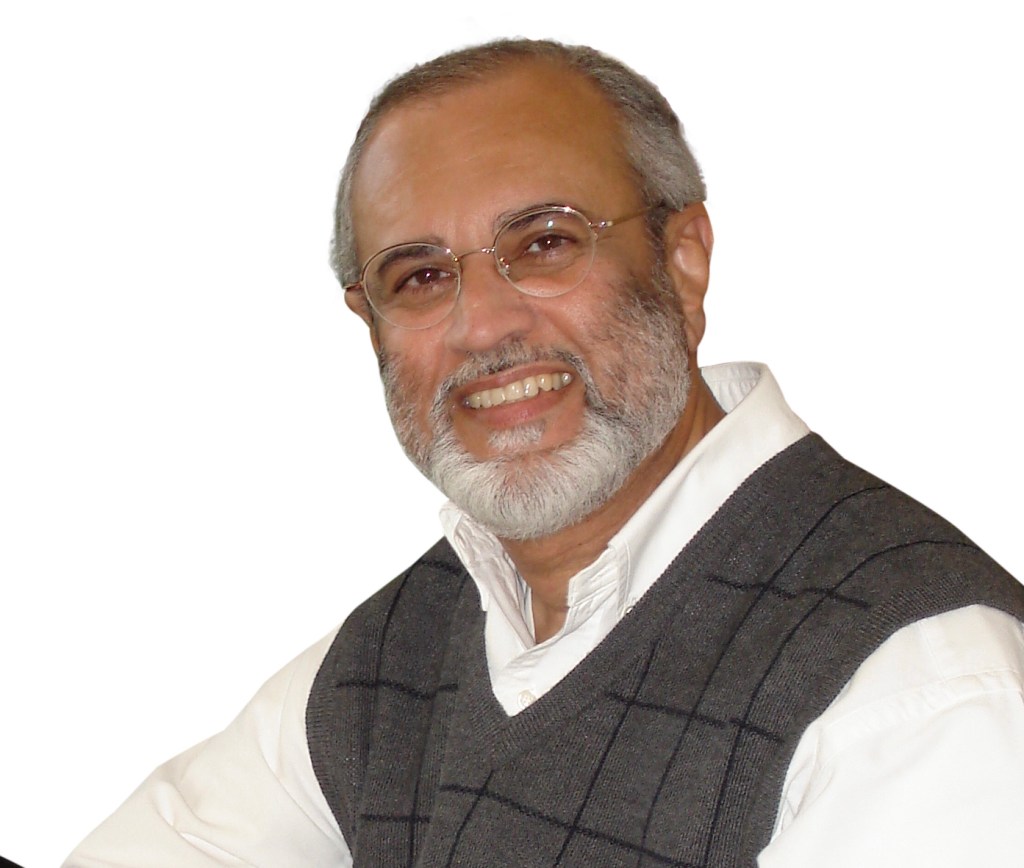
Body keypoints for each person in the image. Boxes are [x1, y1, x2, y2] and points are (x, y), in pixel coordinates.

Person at [64, 38, 1024, 868]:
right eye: (420, 276)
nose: (483, 325)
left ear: (683, 259)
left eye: (546, 243)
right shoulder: (403, 650)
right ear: (370, 323)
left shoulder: (917, 689)